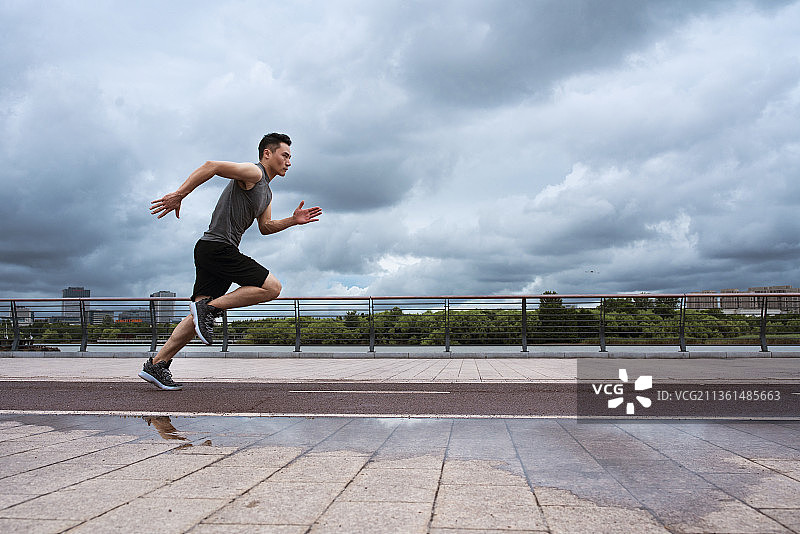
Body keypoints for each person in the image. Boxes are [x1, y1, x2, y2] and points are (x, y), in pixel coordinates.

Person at [140, 133, 322, 390]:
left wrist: (292, 220)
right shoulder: (254, 173)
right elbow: (211, 166)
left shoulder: (267, 193)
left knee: (195, 319)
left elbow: (266, 227)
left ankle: (157, 364)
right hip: (218, 248)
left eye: (290, 157)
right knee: (272, 288)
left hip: (212, 250)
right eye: (285, 155)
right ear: (267, 154)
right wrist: (180, 194)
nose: (289, 162)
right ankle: (210, 310)